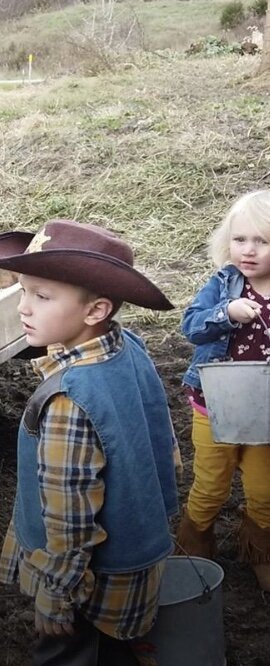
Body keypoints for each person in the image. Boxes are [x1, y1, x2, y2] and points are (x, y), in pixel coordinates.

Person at [0, 219, 180, 666]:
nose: (23, 309)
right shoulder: (128, 346)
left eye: (42, 296)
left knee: (70, 652)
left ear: (95, 311)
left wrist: (56, 594)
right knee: (113, 650)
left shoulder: (68, 400)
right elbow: (164, 443)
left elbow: (70, 518)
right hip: (140, 546)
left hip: (91, 581)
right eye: (22, 291)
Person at [176, 189, 270, 591]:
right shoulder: (224, 284)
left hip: (264, 412)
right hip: (214, 405)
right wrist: (225, 314)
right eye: (239, 239)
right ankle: (195, 544)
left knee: (265, 490)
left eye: (262, 241)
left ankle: (259, 548)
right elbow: (191, 326)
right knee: (211, 484)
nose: (248, 250)